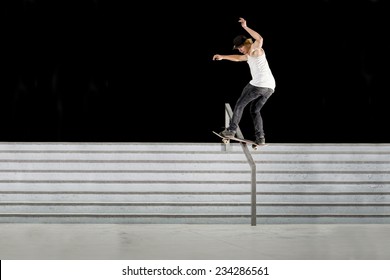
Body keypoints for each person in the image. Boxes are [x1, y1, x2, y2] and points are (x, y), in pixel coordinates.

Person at [213, 17, 275, 145]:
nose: (240, 50)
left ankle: (231, 130)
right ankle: (261, 137)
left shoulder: (255, 49)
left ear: (246, 43)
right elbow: (238, 58)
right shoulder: (248, 55)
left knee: (240, 104)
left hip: (260, 86)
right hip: (269, 87)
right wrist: (223, 57)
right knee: (255, 110)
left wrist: (245, 27)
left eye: (241, 47)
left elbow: (260, 39)